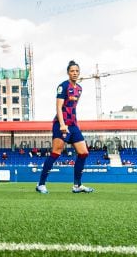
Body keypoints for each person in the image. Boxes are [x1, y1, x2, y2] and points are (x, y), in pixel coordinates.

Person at [36, 60, 95, 194]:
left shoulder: (79, 89)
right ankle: (41, 184)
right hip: (61, 124)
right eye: (72, 71)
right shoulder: (63, 86)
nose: (75, 73)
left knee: (83, 152)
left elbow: (73, 107)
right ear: (68, 73)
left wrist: (74, 124)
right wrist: (62, 124)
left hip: (74, 125)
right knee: (56, 152)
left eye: (77, 71)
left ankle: (77, 185)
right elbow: (58, 106)